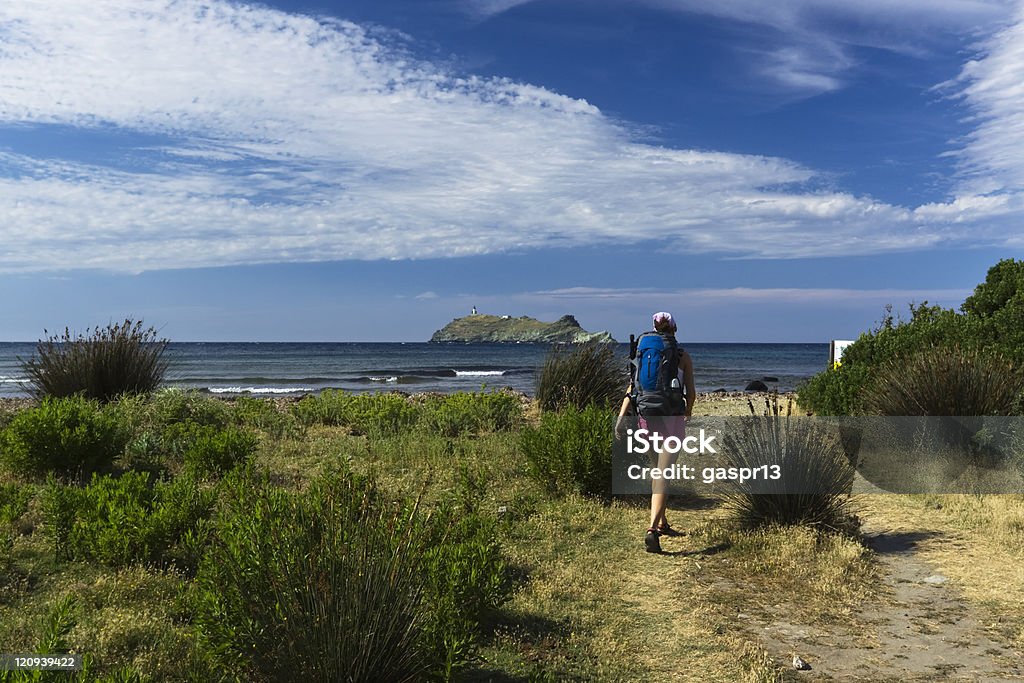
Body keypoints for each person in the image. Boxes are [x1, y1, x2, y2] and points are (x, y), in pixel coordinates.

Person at [616, 311, 695, 553]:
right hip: (671, 420)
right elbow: (690, 393)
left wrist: (620, 419)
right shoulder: (682, 356)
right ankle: (652, 529)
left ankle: (662, 523)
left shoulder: (642, 353)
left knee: (656, 473)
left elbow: (633, 389)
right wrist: (688, 412)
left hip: (645, 419)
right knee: (663, 475)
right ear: (674, 329)